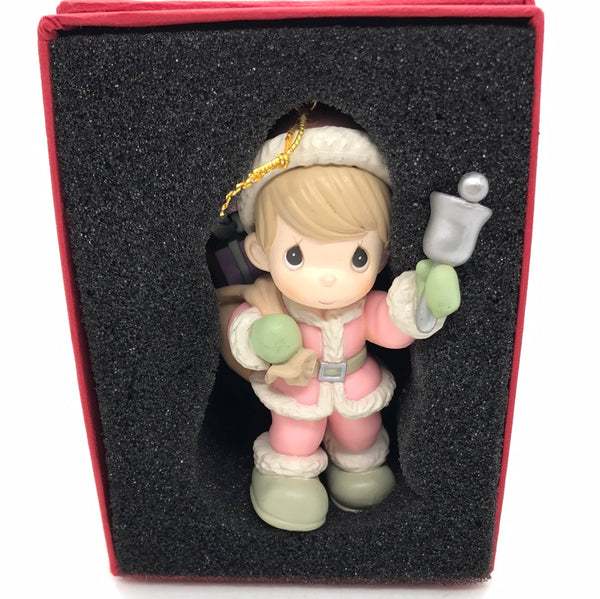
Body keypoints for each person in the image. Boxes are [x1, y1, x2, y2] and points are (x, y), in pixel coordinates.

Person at [221, 104, 460, 531]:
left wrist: (421, 306)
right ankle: (287, 477)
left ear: (382, 256)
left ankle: (357, 467)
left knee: (360, 433)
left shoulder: (363, 307)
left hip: (355, 383)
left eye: (357, 257)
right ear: (259, 253)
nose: (328, 278)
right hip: (301, 390)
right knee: (295, 436)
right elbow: (244, 331)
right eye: (296, 256)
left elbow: (391, 328)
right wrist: (263, 336)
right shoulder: (275, 303)